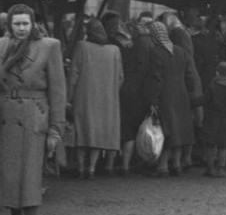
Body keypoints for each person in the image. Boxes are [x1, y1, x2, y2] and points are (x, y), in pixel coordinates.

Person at [0, 3, 66, 215]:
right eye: (16, 23)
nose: (21, 28)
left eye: (25, 23)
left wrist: (56, 128)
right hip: (5, 117)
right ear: (9, 25)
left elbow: (57, 90)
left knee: (30, 179)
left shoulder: (49, 46)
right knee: (11, 177)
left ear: (33, 24)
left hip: (34, 118)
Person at [67, 18, 123, 178]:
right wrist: (110, 92)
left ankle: (80, 168)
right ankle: (91, 168)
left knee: (82, 132)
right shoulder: (114, 50)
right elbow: (120, 77)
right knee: (98, 133)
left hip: (84, 97)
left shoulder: (81, 46)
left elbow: (74, 75)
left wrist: (68, 97)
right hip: (106, 100)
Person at [146, 22, 202, 176]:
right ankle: (177, 164)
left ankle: (163, 166)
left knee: (167, 130)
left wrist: (153, 100)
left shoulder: (155, 52)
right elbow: (189, 76)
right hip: (181, 94)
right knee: (180, 130)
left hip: (165, 95)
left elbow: (156, 79)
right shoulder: (180, 51)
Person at [115, 14, 154, 175]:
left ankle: (125, 165)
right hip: (143, 92)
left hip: (132, 91)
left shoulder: (138, 45)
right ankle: (141, 161)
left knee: (129, 131)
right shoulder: (152, 44)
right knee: (141, 129)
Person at [200, 61, 226, 177]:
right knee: (223, 146)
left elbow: (205, 100)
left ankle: (210, 168)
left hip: (212, 120)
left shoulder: (213, 87)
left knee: (210, 145)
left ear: (217, 73)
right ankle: (221, 168)